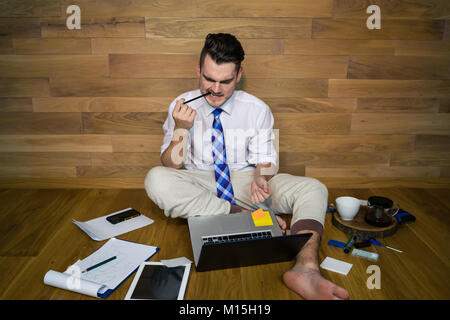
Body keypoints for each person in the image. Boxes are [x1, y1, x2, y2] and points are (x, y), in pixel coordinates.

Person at [145, 33, 349, 300]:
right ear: (198, 70)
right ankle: (246, 219)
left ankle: (306, 269)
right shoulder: (180, 105)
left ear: (239, 74)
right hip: (198, 183)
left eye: (225, 81)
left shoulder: (257, 109)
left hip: (244, 182)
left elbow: (266, 159)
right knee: (156, 179)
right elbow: (172, 166)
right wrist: (182, 129)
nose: (216, 89)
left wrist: (261, 178)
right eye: (209, 79)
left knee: (313, 188)